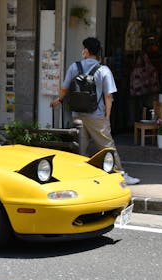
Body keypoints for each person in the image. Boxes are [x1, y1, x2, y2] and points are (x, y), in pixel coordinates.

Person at [50, 37, 140, 185]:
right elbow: (109, 95)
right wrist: (107, 116)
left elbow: (65, 88)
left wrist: (58, 100)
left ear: (85, 50)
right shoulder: (103, 70)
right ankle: (120, 174)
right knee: (106, 146)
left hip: (77, 114)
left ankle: (76, 177)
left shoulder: (74, 67)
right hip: (96, 115)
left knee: (80, 148)